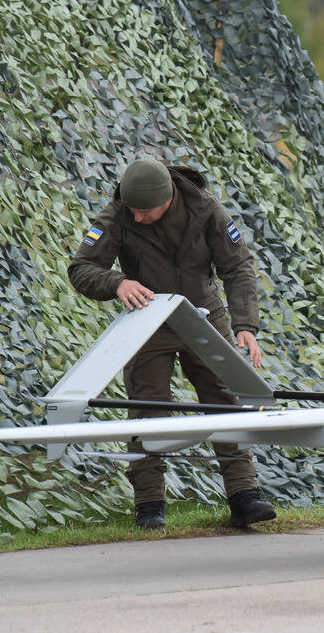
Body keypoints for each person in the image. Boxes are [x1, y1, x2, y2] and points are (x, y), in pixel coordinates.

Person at [68, 157, 277, 531]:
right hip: (147, 318)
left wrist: (246, 325)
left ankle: (244, 494)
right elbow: (82, 268)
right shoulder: (117, 215)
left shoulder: (207, 209)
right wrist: (117, 283)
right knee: (146, 408)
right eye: (132, 210)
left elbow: (238, 266)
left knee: (224, 398)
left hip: (204, 316)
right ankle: (150, 504)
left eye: (145, 211)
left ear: (167, 200)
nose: (137, 218)